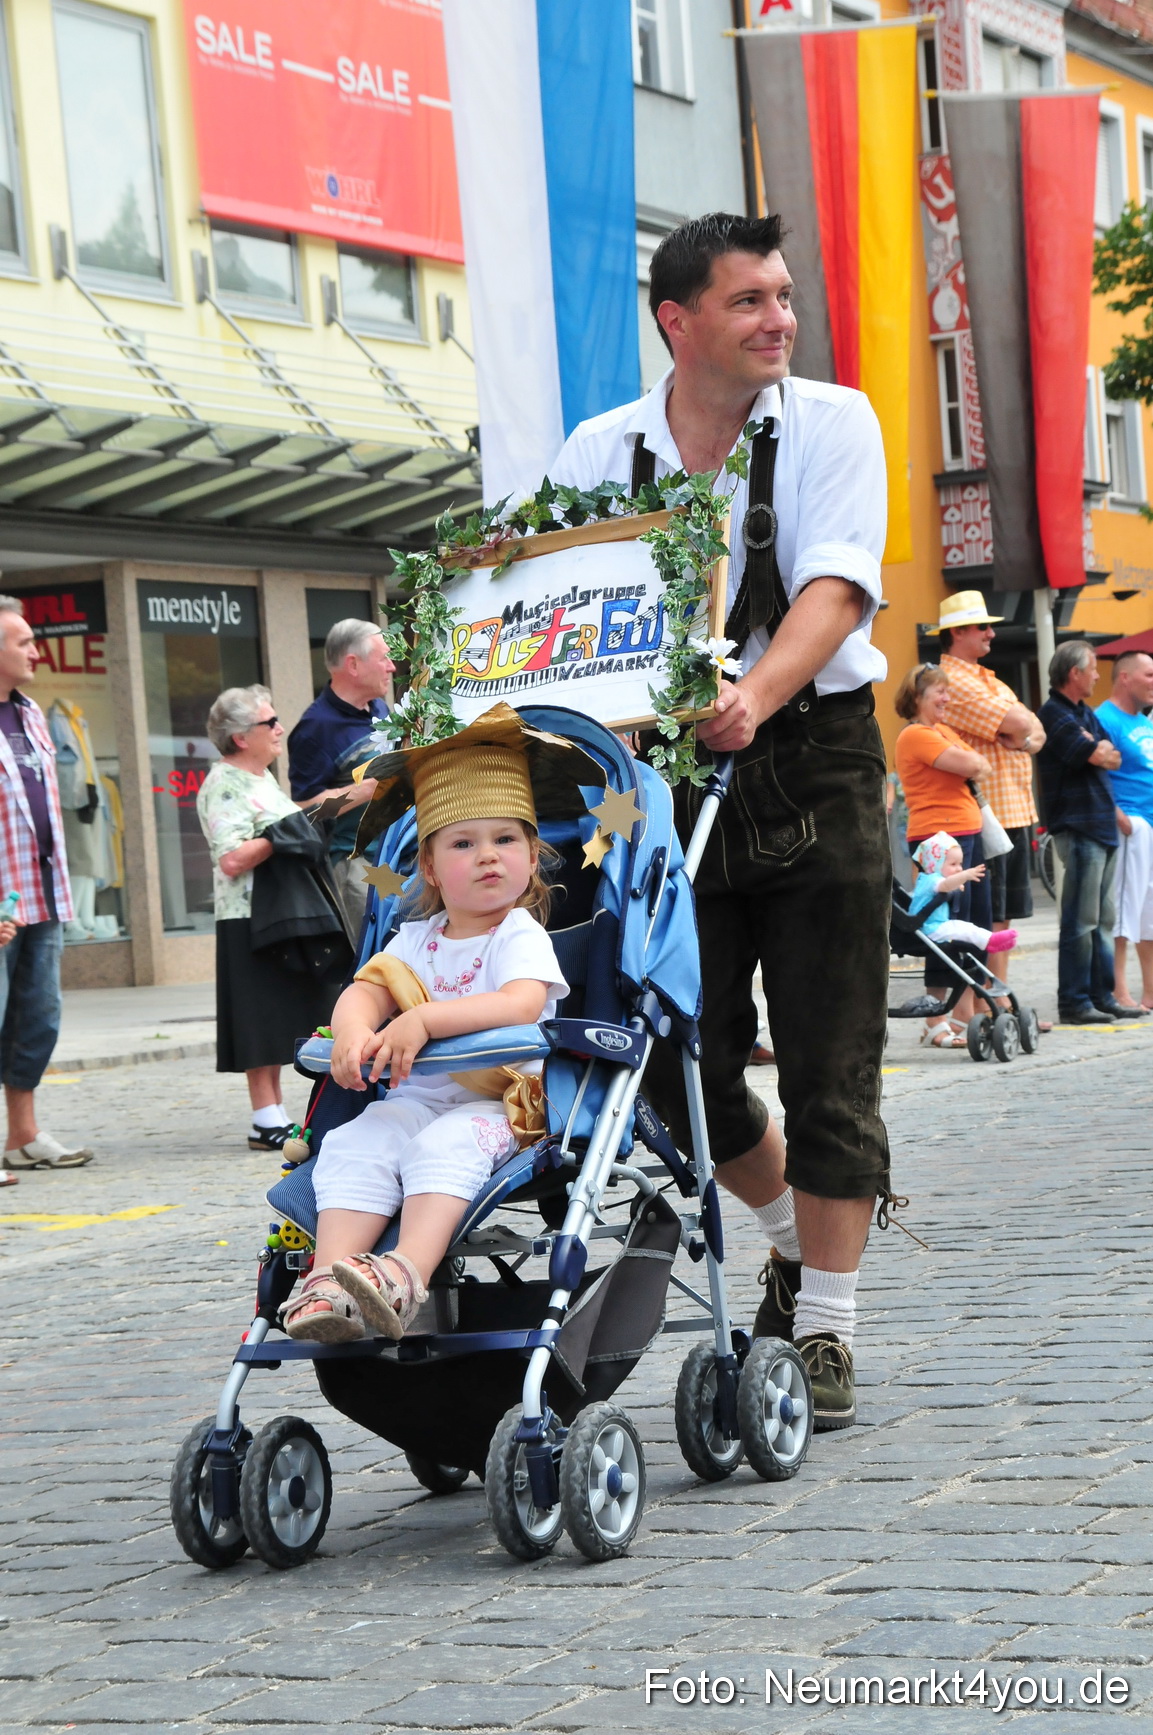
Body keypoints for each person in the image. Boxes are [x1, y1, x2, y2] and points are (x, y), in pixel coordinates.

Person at [550, 211, 891, 1431]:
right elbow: (567, 610)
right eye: (749, 300)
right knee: (676, 1065)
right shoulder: (601, 450)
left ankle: (828, 1330)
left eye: (784, 297)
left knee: (829, 1061)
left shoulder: (834, 420)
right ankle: (791, 1236)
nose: (779, 320)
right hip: (661, 775)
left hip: (813, 757)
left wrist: (752, 693)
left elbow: (837, 587)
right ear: (677, 320)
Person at [282, 706, 574, 1343]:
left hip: (497, 1105)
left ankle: (404, 1273)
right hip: (417, 1097)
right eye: (464, 844)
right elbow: (365, 990)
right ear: (433, 868)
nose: (488, 857)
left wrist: (424, 1020)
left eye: (506, 840)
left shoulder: (518, 935)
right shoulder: (414, 939)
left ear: (532, 855)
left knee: (442, 1148)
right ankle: (330, 1278)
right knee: (360, 1141)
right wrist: (357, 1033)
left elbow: (522, 1003)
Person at [197, 686, 347, 1152]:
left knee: (284, 1012)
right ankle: (265, 1117)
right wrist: (283, 835)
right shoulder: (224, 783)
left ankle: (276, 1115)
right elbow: (232, 858)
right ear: (242, 737)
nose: (280, 728)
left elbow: (285, 824)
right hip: (248, 914)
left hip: (279, 912)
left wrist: (334, 801)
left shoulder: (261, 780)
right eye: (270, 722)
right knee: (259, 1018)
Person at [0, 596, 93, 1175]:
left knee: (37, 1019)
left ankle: (22, 1134)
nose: (36, 650)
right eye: (23, 642)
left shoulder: (32, 712)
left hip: (41, 895)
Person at [931, 592, 1045, 960]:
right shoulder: (954, 680)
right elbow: (1023, 721)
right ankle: (986, 1006)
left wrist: (1020, 736)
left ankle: (999, 1005)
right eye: (983, 626)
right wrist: (1019, 729)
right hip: (986, 815)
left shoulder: (989, 679)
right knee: (989, 918)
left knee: (1003, 917)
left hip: (1008, 810)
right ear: (958, 632)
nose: (991, 634)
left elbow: (1036, 730)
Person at [893, 662, 992, 1047]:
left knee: (966, 924)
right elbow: (971, 764)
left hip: (964, 834)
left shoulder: (942, 731)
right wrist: (972, 763)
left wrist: (974, 763)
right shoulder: (917, 735)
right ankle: (937, 1017)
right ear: (918, 698)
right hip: (939, 838)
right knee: (940, 925)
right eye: (940, 693)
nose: (947, 699)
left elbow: (979, 762)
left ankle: (961, 1009)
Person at [287, 620, 395, 931]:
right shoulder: (315, 728)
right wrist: (367, 789)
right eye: (383, 658)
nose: (391, 667)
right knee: (378, 961)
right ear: (353, 664)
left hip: (402, 854)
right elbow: (306, 811)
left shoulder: (379, 709)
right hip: (360, 866)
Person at [1037, 642, 1123, 1024]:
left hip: (1100, 825)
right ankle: (1074, 1002)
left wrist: (1099, 749)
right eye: (1092, 669)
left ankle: (1100, 995)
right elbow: (1092, 755)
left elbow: (1113, 754)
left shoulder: (1084, 713)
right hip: (1080, 824)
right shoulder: (1053, 713)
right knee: (1081, 919)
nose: (1097, 675)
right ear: (1074, 673)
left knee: (1103, 919)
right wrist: (1097, 749)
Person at [1095, 650, 1153, 1013]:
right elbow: (1098, 774)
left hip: (1148, 823)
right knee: (1123, 909)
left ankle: (1149, 989)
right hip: (1130, 825)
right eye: (1149, 675)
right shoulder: (1105, 718)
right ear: (1125, 678)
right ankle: (1118, 988)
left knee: (1148, 911)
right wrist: (1121, 819)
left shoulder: (1144, 723)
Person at [908, 833, 1018, 954]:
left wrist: (957, 882)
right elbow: (945, 885)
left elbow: (947, 885)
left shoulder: (928, 879)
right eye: (953, 864)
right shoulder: (932, 880)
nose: (959, 868)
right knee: (965, 929)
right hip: (930, 927)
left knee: (965, 928)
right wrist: (964, 876)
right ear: (935, 864)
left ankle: (989, 942)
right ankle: (990, 941)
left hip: (934, 925)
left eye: (960, 864)